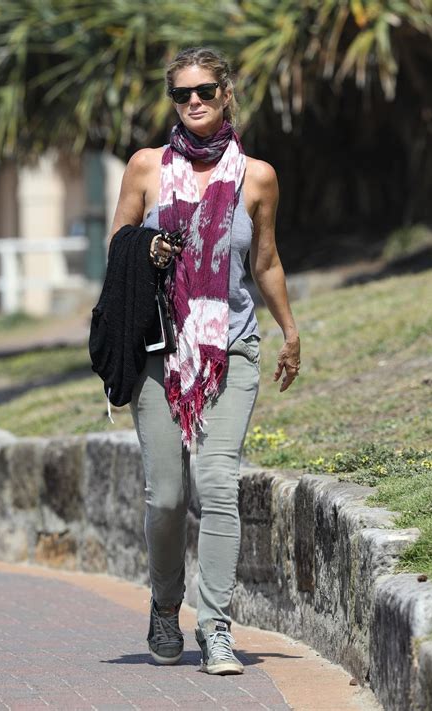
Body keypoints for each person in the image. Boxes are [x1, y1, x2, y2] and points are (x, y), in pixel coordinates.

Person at [108, 46, 300, 675]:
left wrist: (289, 331)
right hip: (162, 352)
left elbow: (264, 261)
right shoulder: (144, 169)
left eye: (206, 91)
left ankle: (215, 626)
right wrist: (148, 246)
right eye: (183, 93)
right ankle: (166, 606)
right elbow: (118, 255)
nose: (194, 101)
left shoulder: (258, 177)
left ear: (227, 95)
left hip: (232, 348)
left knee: (217, 485)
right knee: (165, 497)